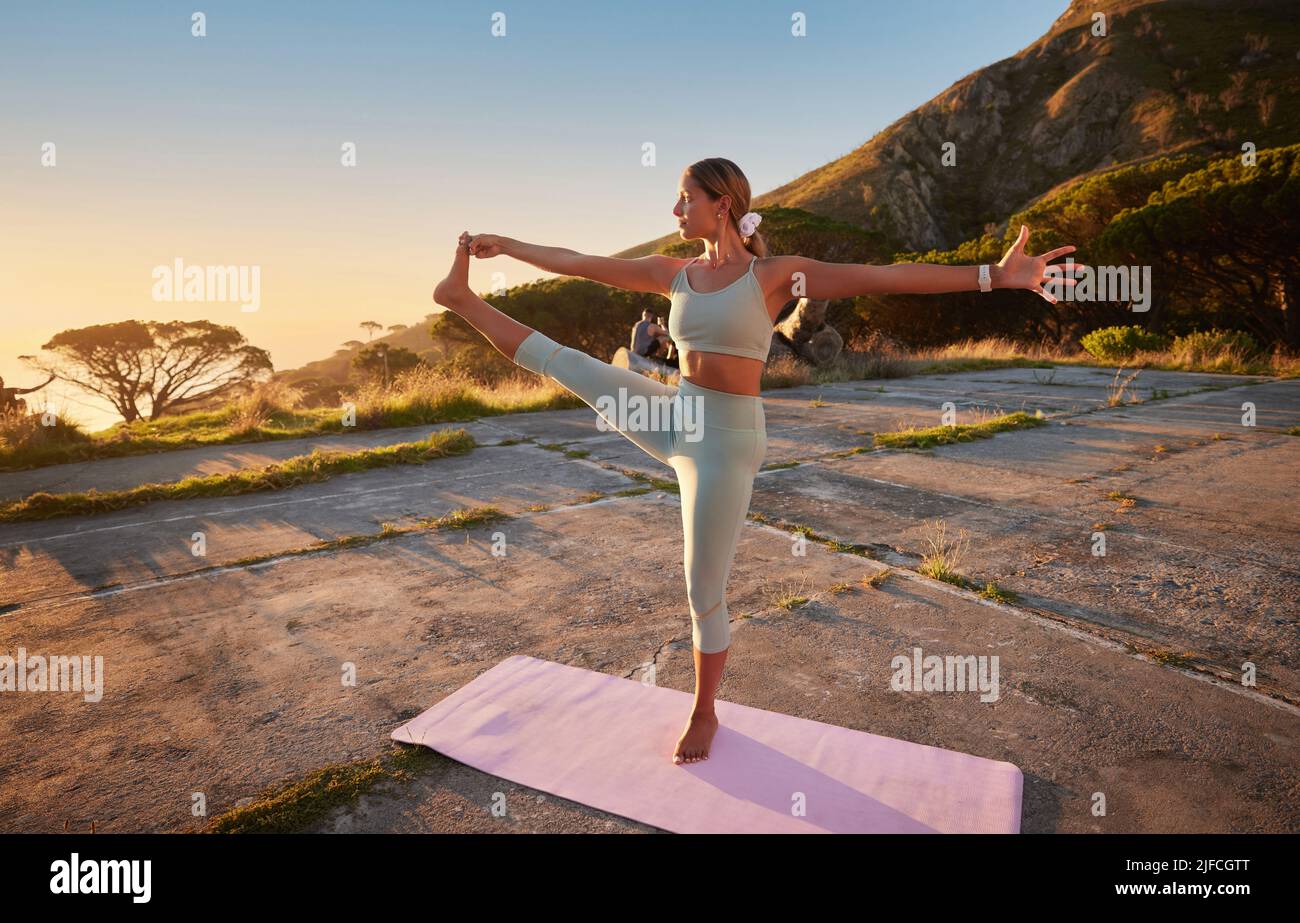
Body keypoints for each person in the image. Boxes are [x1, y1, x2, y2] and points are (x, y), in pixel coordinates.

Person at [432, 157, 1080, 765]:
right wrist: (508, 245)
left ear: (722, 204)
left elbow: (884, 277)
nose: (676, 206)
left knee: (700, 587)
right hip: (674, 412)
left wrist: (998, 274)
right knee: (570, 363)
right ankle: (460, 299)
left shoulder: (772, 276)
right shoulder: (672, 271)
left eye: (687, 197)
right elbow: (581, 262)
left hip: (726, 439)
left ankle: (704, 708)